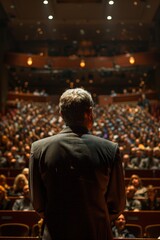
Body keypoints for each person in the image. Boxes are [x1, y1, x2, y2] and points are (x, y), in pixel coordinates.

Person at [29, 88, 125, 240]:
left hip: (56, 234)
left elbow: (38, 203)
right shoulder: (110, 149)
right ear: (90, 113)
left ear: (61, 114)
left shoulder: (39, 148)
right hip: (96, 233)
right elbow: (117, 205)